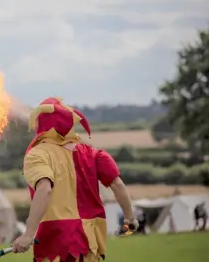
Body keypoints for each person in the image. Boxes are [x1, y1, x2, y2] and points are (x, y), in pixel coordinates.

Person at [12, 97, 138, 262]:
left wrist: (28, 234)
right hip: (90, 244)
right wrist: (130, 218)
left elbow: (45, 189)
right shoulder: (94, 154)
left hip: (57, 243)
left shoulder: (37, 154)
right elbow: (118, 185)